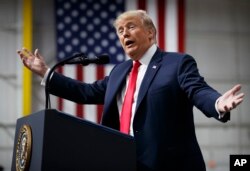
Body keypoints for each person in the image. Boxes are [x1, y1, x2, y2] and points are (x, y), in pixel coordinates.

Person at [17, 10, 244, 171]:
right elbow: (86, 92)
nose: (124, 34)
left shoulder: (177, 63)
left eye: (131, 27)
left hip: (167, 165)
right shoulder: (119, 72)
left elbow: (197, 89)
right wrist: (46, 73)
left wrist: (217, 103)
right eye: (120, 30)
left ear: (151, 33)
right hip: (123, 163)